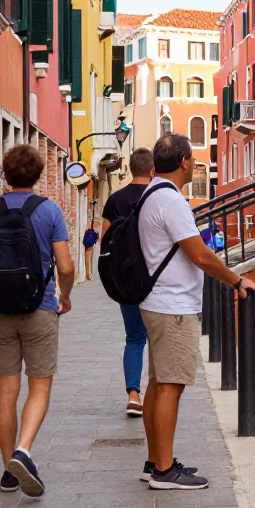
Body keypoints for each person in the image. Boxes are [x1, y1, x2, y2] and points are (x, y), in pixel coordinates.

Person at [138, 134, 255, 490]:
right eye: (193, 159)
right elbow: (200, 255)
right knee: (170, 385)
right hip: (172, 306)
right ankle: (163, 470)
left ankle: (155, 461)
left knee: (159, 383)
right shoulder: (171, 201)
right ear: (186, 162)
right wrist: (236, 281)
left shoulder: (152, 193)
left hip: (158, 301)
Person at [0, 144, 74, 497]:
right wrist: (65, 294)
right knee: (39, 385)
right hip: (40, 307)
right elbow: (67, 266)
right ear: (38, 175)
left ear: (5, 175)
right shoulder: (50, 211)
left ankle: (8, 470)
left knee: (6, 390)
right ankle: (23, 451)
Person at [100, 147, 154, 418]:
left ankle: (133, 394)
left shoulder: (115, 199)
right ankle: (158, 396)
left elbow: (105, 242)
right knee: (159, 339)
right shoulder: (160, 196)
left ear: (132, 169)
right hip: (157, 280)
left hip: (128, 281)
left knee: (134, 338)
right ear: (153, 170)